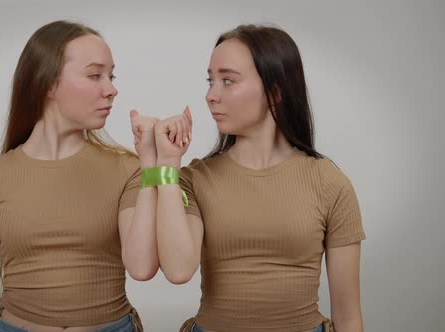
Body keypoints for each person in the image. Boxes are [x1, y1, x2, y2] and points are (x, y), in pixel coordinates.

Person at [153, 25, 366, 332]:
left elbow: (348, 317)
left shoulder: (330, 183)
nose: (211, 95)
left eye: (228, 81)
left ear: (274, 92)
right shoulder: (193, 179)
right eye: (211, 81)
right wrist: (168, 165)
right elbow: (177, 270)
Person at [0, 20, 159, 332]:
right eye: (95, 75)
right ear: (48, 83)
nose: (111, 89)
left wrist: (152, 167)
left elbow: (142, 266)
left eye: (111, 75)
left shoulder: (128, 169)